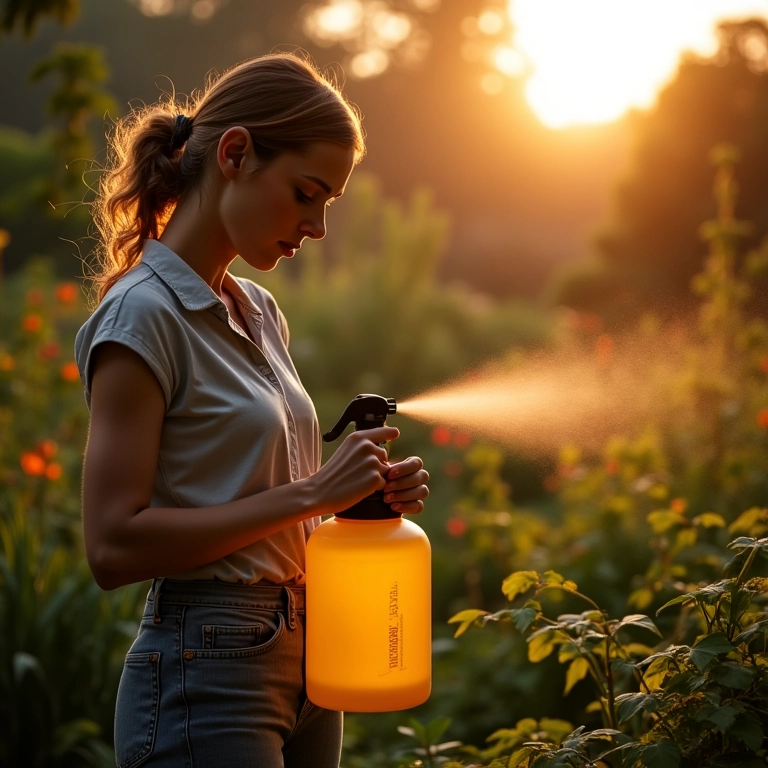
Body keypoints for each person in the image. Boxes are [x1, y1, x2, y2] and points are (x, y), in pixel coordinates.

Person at [75, 52, 430, 768]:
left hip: (306, 658)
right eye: (306, 193)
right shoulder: (142, 318)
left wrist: (355, 503)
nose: (318, 225)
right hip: (207, 667)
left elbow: (257, 503)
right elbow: (112, 547)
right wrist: (312, 492)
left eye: (328, 203)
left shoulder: (259, 310)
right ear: (235, 153)